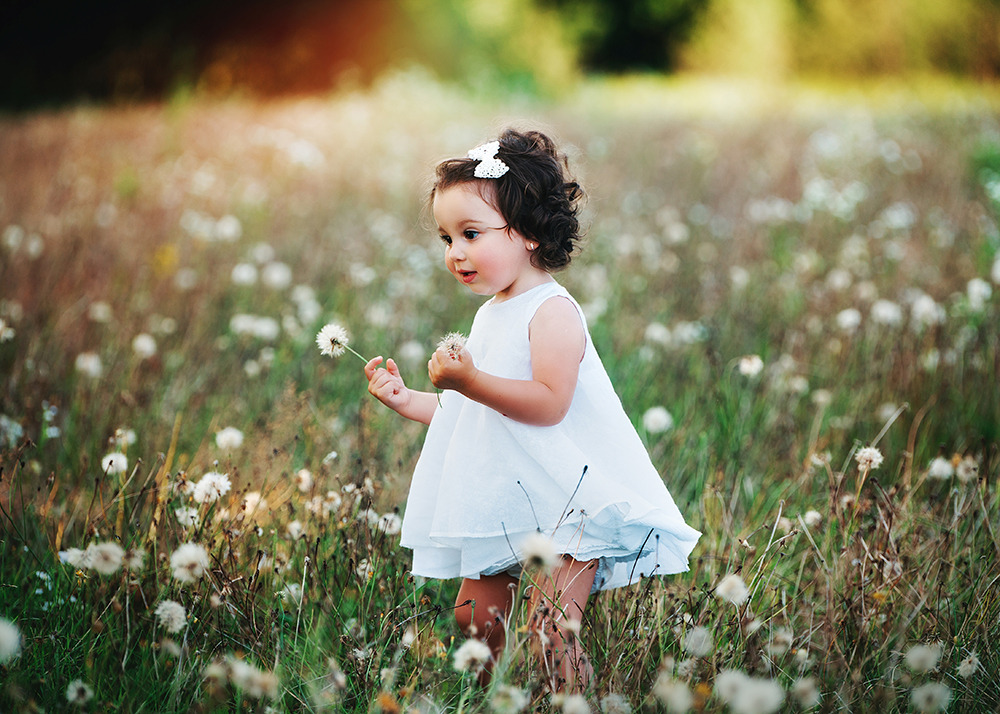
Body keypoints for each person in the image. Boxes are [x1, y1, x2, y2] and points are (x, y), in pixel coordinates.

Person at [364, 128, 700, 692]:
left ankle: (571, 702)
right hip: (508, 496)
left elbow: (546, 405)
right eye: (446, 238)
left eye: (471, 233)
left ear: (525, 233)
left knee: (551, 634)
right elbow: (476, 414)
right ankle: (488, 702)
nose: (455, 252)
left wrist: (469, 379)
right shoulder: (493, 313)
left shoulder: (552, 312)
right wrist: (410, 400)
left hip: (570, 503)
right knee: (474, 623)